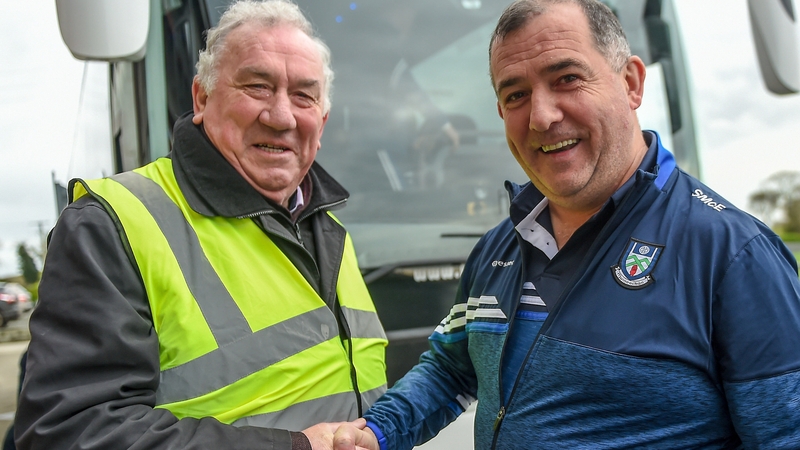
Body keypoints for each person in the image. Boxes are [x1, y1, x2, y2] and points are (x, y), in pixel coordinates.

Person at [332, 0, 800, 449]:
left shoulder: (735, 256)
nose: (541, 116)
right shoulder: (500, 247)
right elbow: (454, 368)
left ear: (632, 83)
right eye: (515, 94)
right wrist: (378, 432)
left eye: (568, 78)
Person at [14, 1, 388, 449]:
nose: (282, 115)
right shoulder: (109, 224)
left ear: (321, 122)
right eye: (257, 86)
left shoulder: (326, 228)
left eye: (304, 96)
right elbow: (71, 433)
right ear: (202, 98)